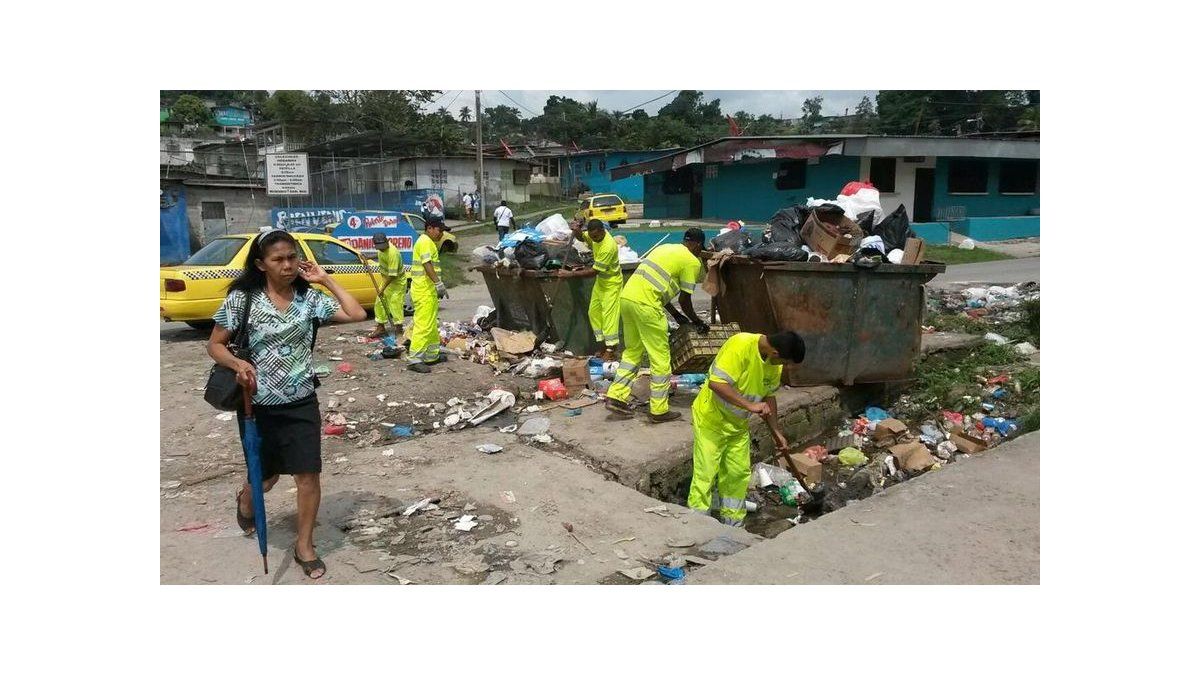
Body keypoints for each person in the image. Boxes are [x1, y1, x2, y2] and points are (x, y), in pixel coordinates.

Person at [207, 229, 367, 579]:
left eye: (292, 257)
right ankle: (246, 499)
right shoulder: (243, 300)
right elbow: (215, 345)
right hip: (256, 404)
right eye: (278, 259)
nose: (288, 265)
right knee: (266, 478)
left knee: (308, 475)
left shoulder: (309, 300)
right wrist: (237, 364)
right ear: (261, 265)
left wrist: (325, 279)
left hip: (300, 401)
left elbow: (356, 314)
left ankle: (304, 545)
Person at [687, 331, 806, 527]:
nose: (783, 367)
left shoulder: (772, 365)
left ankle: (733, 525)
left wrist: (777, 432)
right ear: (775, 353)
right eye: (784, 362)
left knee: (737, 475)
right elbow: (716, 383)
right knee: (705, 474)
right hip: (711, 420)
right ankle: (697, 526)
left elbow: (769, 396)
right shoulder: (740, 345)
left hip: (737, 426)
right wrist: (750, 406)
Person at [605, 227, 709, 423]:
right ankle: (659, 411)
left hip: (627, 299)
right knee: (660, 358)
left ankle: (616, 396)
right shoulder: (691, 262)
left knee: (632, 353)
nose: (699, 251)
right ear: (697, 244)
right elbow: (685, 299)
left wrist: (677, 316)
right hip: (647, 306)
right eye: (699, 248)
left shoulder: (665, 249)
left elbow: (660, 287)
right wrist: (697, 321)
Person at [559, 218, 622, 360]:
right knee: (593, 312)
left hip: (612, 283)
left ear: (603, 231)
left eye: (596, 237)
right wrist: (577, 231)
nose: (594, 239)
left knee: (609, 316)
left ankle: (611, 349)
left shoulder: (608, 247)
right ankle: (601, 345)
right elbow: (583, 237)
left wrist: (570, 274)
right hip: (601, 283)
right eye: (592, 237)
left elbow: (594, 272)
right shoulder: (593, 236)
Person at [407, 217, 451, 372]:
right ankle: (414, 360)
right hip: (423, 290)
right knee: (423, 325)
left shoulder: (428, 242)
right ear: (430, 228)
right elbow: (427, 264)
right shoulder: (425, 241)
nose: (441, 234)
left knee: (431, 324)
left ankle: (432, 356)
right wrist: (438, 283)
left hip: (428, 290)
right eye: (440, 230)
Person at [367, 232, 405, 340]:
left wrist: (382, 289)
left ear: (387, 241)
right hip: (386, 279)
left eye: (383, 247)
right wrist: (369, 256)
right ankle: (380, 327)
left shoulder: (393, 253)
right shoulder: (382, 249)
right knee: (379, 302)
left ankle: (398, 328)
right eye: (379, 247)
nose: (381, 249)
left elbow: (392, 276)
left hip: (397, 282)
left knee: (395, 303)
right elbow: (381, 254)